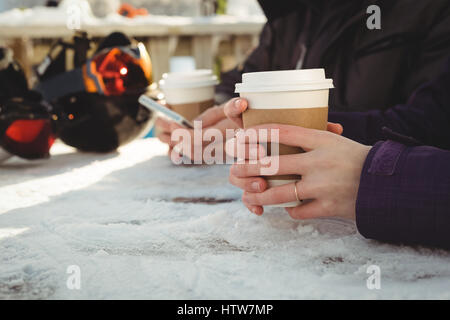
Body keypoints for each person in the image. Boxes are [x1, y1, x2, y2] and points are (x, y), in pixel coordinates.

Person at [156, 0, 450, 153]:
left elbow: (431, 124)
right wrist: (205, 117)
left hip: (375, 211)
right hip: (274, 208)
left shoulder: (427, 10)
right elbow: (244, 79)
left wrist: (272, 129)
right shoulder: (293, 15)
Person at [225, 58, 450, 249]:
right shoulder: (293, 16)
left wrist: (369, 178)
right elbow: (435, 118)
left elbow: (425, 122)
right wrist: (322, 141)